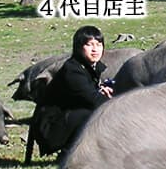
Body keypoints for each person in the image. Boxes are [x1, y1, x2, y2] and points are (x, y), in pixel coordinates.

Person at [31, 25, 114, 158]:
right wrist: (120, 104)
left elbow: (87, 95)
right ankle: (70, 153)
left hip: (66, 118)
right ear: (78, 47)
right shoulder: (72, 71)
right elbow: (93, 100)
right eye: (89, 45)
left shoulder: (89, 67)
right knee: (92, 114)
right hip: (51, 126)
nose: (95, 49)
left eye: (99, 44)